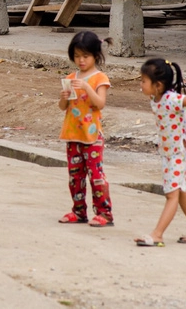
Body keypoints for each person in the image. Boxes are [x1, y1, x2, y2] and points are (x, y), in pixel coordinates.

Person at [135, 58, 186, 247]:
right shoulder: (155, 98)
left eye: (143, 81)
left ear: (157, 85)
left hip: (179, 153)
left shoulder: (172, 99)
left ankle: (158, 234)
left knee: (171, 194)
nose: (140, 84)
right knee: (179, 191)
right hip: (167, 152)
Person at [57, 30, 113, 227]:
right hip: (73, 133)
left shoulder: (100, 78)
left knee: (96, 175)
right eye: (77, 56)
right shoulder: (72, 77)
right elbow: (63, 107)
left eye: (85, 56)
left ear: (95, 56)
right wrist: (63, 97)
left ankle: (104, 213)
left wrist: (87, 87)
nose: (81, 61)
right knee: (75, 176)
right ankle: (78, 211)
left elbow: (100, 104)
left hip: (92, 136)